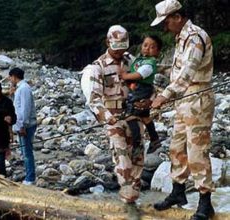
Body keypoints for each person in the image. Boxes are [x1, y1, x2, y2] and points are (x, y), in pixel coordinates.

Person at [150, 0, 215, 219]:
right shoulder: (181, 38)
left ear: (177, 17)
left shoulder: (194, 37)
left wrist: (164, 96)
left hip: (198, 99)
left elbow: (188, 73)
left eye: (166, 23)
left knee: (197, 150)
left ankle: (205, 202)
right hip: (184, 99)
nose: (164, 28)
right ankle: (178, 192)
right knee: (177, 146)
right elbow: (178, 71)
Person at [81, 25, 145, 203]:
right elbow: (93, 100)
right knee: (122, 156)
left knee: (138, 155)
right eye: (116, 48)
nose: (119, 52)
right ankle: (127, 197)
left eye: (123, 47)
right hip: (113, 119)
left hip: (134, 115)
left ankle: (135, 195)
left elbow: (143, 83)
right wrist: (107, 117)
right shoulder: (97, 67)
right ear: (107, 43)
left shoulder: (132, 61)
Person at [119, 35, 163, 154]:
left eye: (152, 47)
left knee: (130, 115)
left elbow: (140, 75)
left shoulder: (149, 63)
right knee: (145, 117)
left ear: (157, 52)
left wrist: (125, 76)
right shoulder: (140, 60)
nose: (147, 48)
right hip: (141, 89)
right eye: (145, 45)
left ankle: (137, 143)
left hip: (141, 90)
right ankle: (154, 139)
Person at [9, 68, 37, 185]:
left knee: (27, 152)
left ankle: (30, 177)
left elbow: (25, 109)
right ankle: (28, 174)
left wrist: (22, 125)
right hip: (22, 124)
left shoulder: (24, 89)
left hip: (26, 125)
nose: (10, 80)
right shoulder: (20, 88)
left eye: (10, 77)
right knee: (24, 152)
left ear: (14, 77)